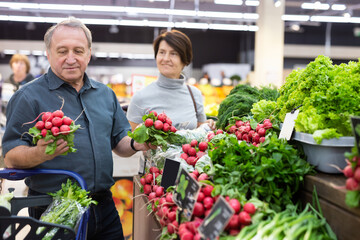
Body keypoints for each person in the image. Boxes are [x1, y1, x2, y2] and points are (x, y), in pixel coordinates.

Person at [1, 17, 154, 240]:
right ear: (48, 53)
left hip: (104, 206)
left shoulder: (105, 94)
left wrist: (135, 143)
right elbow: (11, 157)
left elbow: (118, 142)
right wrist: (40, 153)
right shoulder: (28, 97)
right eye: (62, 51)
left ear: (89, 54)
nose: (71, 59)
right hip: (54, 208)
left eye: (78, 51)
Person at [127, 29, 215, 131]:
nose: (166, 58)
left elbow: (200, 134)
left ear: (184, 59)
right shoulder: (140, 98)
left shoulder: (195, 95)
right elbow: (132, 141)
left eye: (173, 53)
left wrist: (208, 125)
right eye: (162, 52)